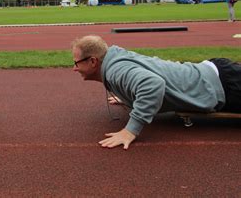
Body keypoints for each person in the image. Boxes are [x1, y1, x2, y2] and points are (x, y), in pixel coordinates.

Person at [71, 35, 240, 150]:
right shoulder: (116, 61)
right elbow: (141, 77)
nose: (74, 69)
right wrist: (128, 97)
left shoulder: (116, 70)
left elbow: (152, 85)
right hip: (214, 74)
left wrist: (130, 130)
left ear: (93, 61)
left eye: (76, 63)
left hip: (225, 84)